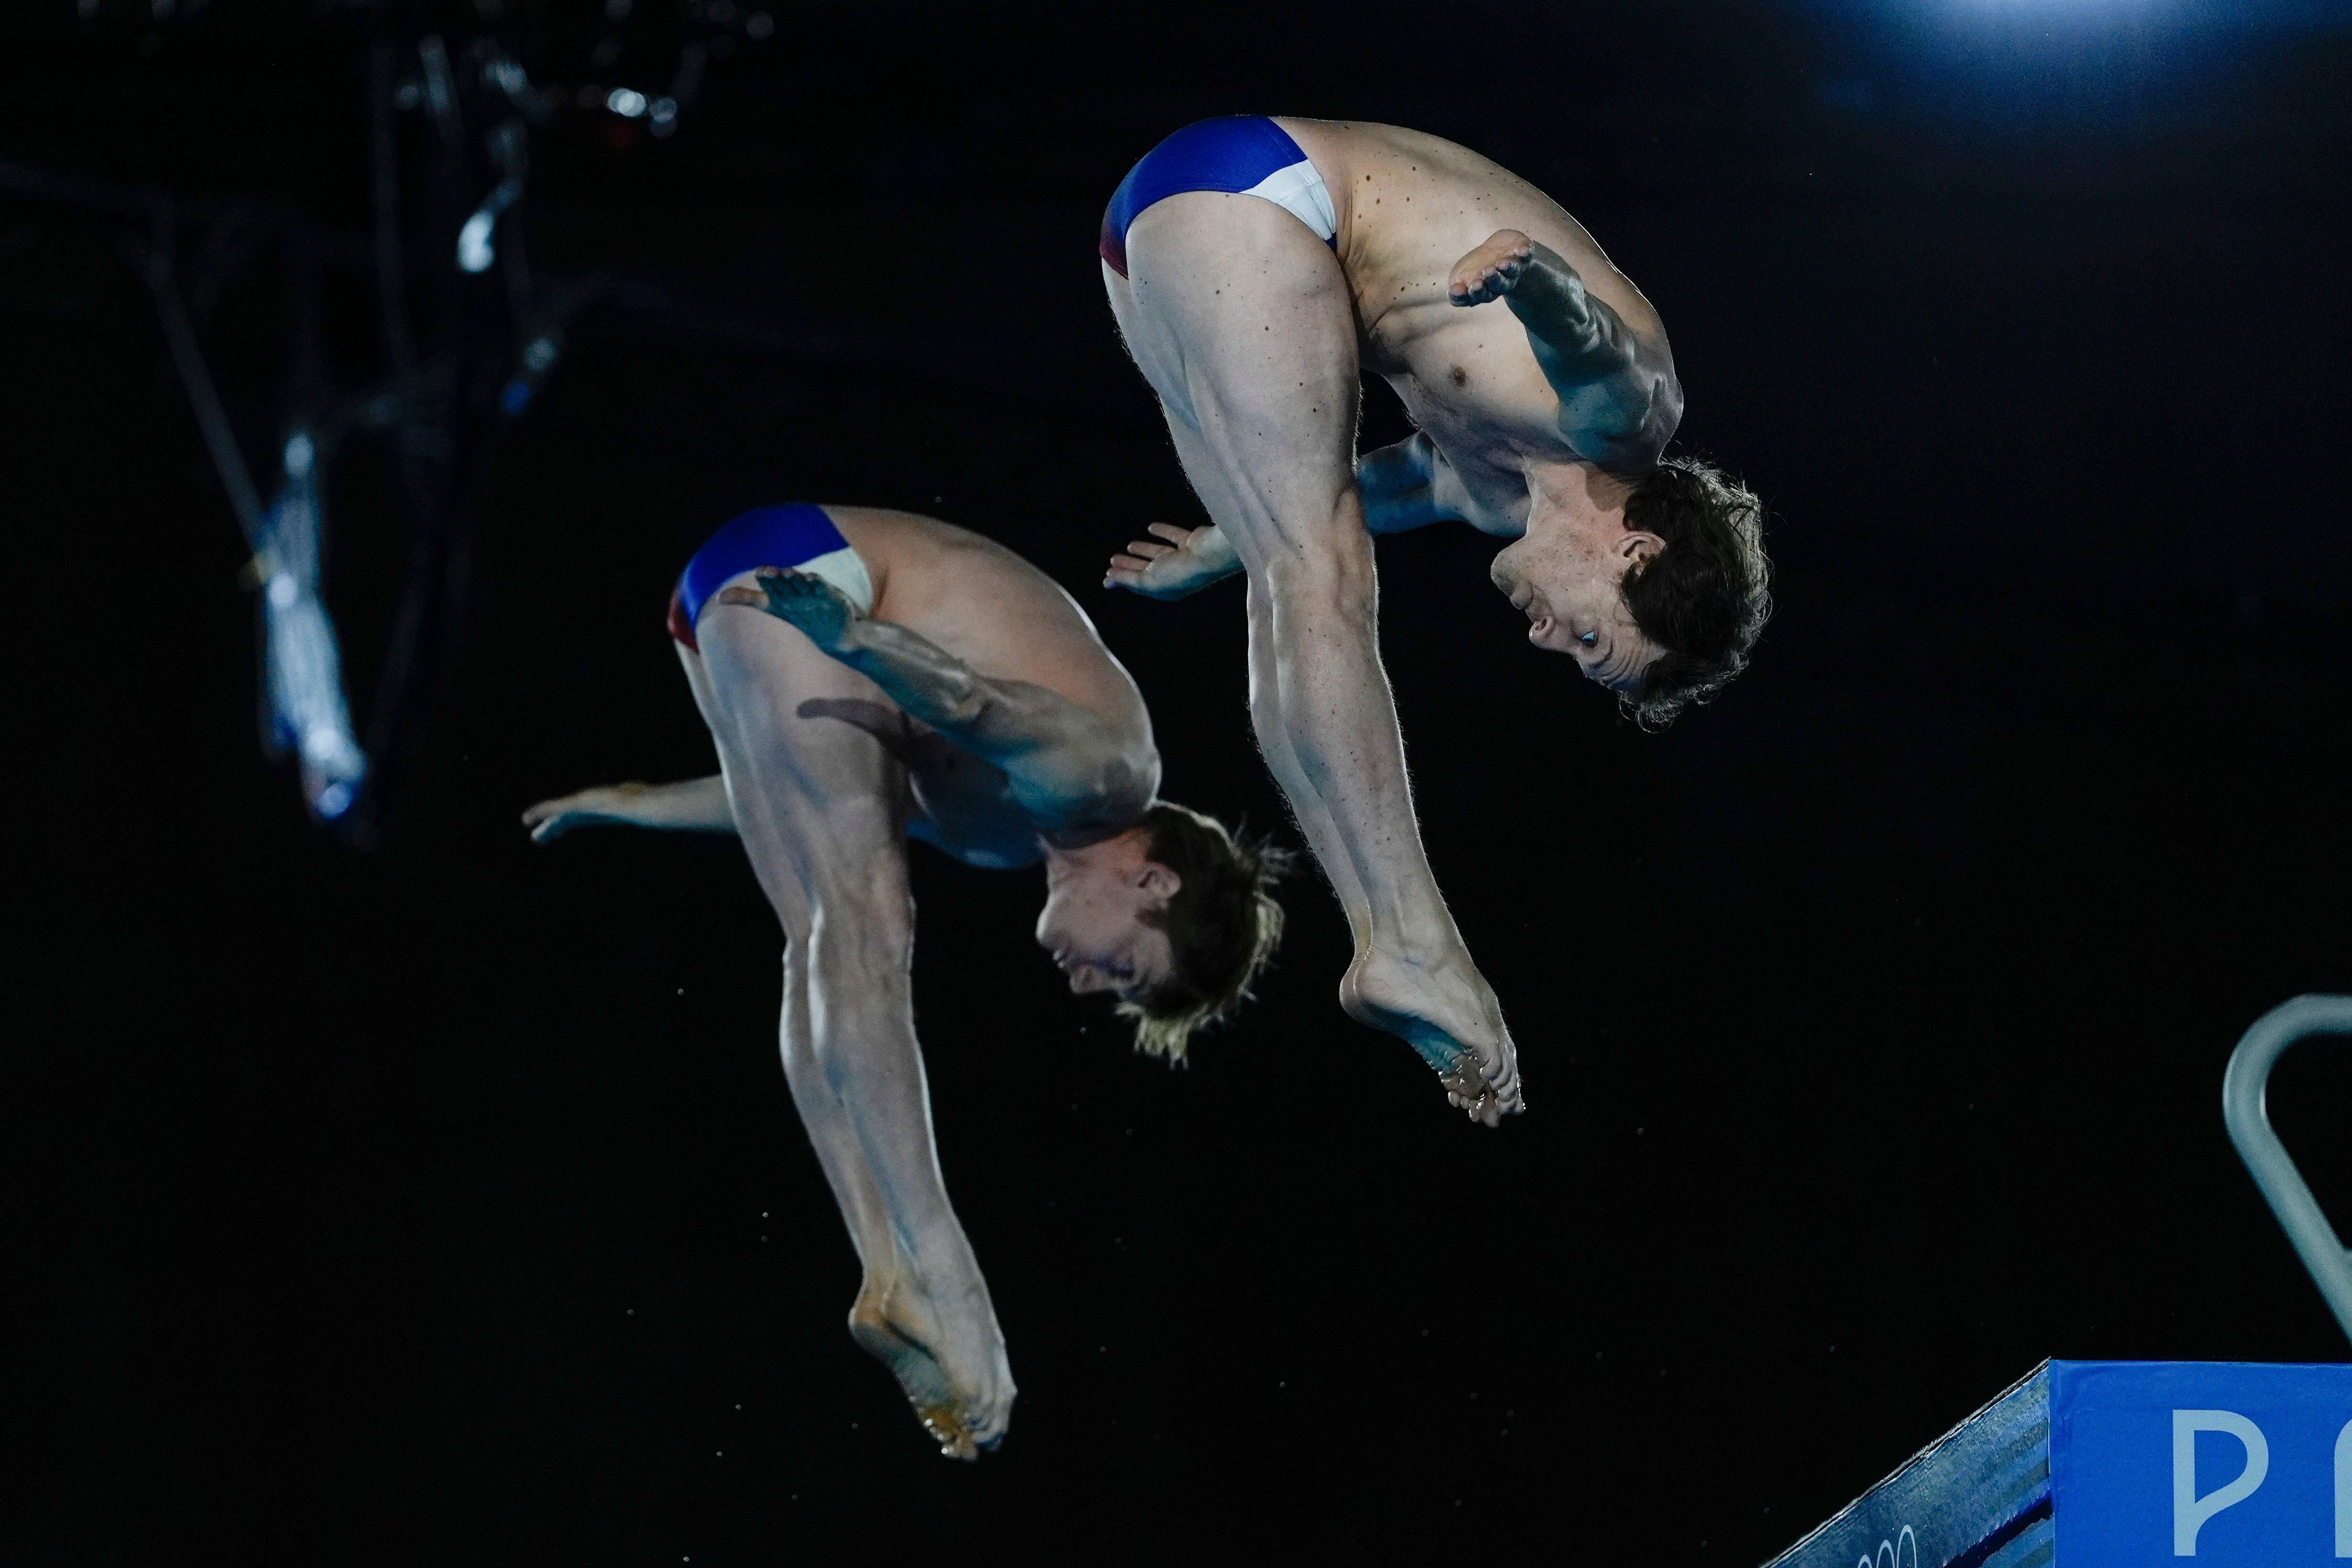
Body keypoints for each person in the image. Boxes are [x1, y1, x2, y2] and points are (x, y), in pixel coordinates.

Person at [524, 502, 1286, 1459]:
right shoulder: (1105, 773)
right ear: (1153, 881)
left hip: (744, 607)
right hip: (816, 575)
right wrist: (860, 637)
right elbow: (969, 701)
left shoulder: (1006, 837)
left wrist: (632, 807)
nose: (1089, 987)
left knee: (821, 928)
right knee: (861, 921)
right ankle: (949, 1286)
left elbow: (801, 790)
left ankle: (884, 1263)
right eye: (1125, 969)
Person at [1096, 116, 1769, 1125]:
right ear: (1638, 552)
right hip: (1261, 193)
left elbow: (1376, 485)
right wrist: (1530, 278)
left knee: (1291, 569)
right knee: (1318, 573)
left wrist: (1215, 543)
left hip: (1153, 234)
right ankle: (1409, 941)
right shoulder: (1628, 427)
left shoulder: (1500, 496)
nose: (1544, 640)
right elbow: (1591, 345)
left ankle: (1385, 932)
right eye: (1588, 637)